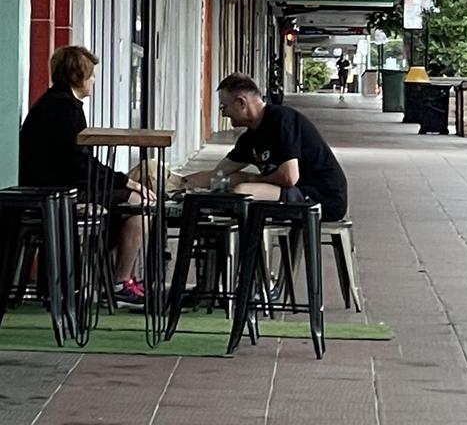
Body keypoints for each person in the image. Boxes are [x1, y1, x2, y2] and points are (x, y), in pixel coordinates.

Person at [19, 46, 154, 308]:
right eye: (91, 75)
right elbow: (80, 164)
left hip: (52, 187)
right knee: (141, 203)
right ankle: (119, 282)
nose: (94, 81)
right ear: (78, 76)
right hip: (58, 191)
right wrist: (127, 181)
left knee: (129, 200)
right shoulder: (66, 109)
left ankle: (114, 277)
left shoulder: (53, 103)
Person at [187, 74, 348, 222]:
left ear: (242, 103)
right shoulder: (250, 137)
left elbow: (289, 177)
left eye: (224, 107)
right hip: (293, 191)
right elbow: (219, 173)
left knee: (242, 191)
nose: (224, 114)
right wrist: (181, 183)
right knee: (230, 184)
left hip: (321, 196)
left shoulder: (282, 120)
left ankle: (249, 252)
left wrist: (249, 178)